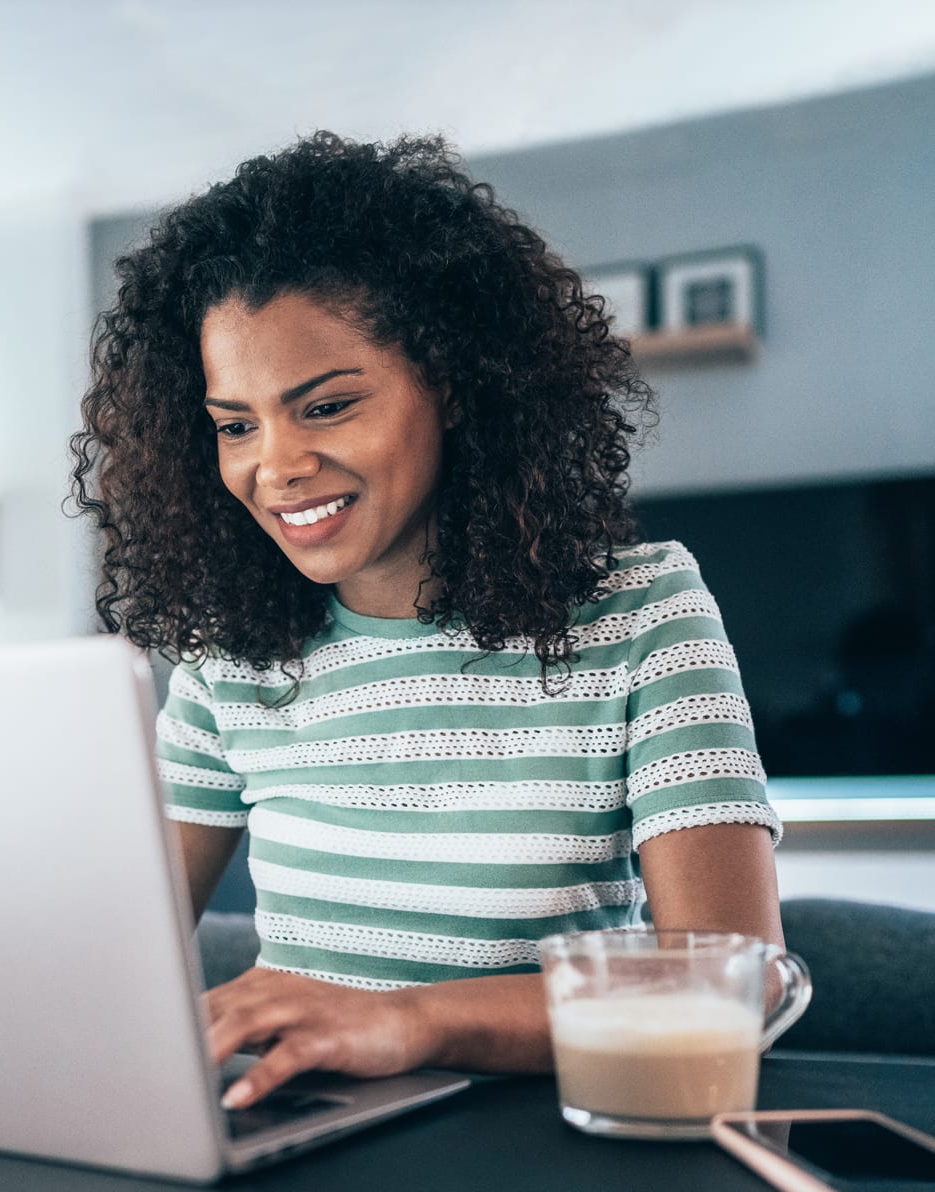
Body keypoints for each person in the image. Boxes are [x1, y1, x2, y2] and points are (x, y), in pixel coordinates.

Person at [70, 132, 784, 1110]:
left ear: (452, 385)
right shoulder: (227, 660)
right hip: (300, 1137)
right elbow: (111, 959)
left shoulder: (644, 614)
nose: (273, 466)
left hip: (547, 1149)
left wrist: (410, 1019)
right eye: (236, 424)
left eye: (324, 407)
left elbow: (734, 987)